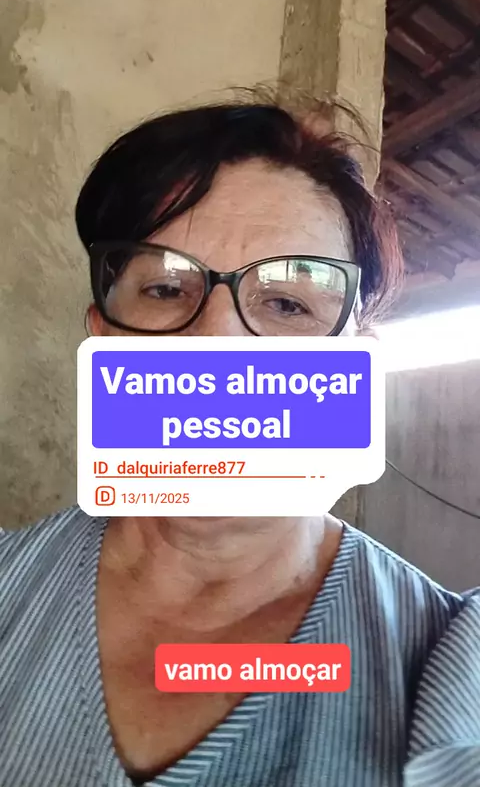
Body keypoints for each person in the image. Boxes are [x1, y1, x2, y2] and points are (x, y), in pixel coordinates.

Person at [1, 93, 479, 787]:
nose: (216, 342)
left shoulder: (447, 666)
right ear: (103, 336)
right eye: (165, 290)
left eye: (287, 303)